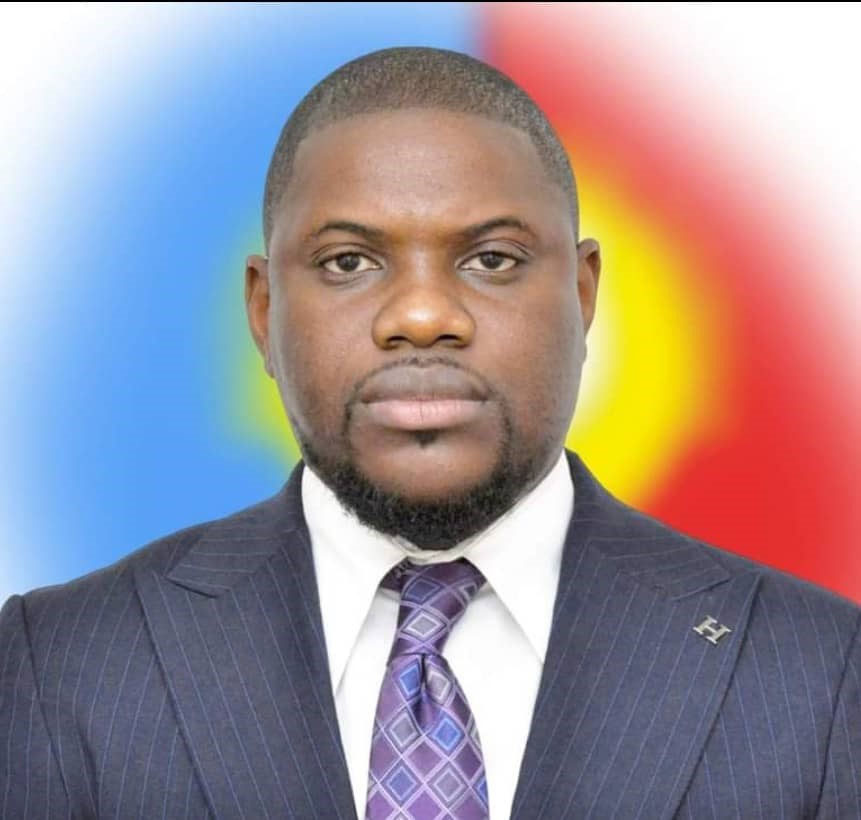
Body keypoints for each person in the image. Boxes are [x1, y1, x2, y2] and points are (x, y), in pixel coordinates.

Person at [0, 46, 858, 820]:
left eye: (491, 259)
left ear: (582, 295)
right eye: (347, 262)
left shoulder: (819, 672)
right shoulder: (61, 663)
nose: (420, 315)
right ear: (263, 311)